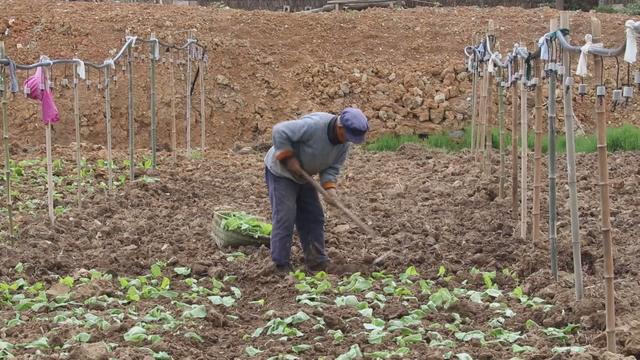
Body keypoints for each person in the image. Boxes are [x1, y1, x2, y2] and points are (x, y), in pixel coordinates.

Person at [264, 108, 369, 273]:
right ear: (340, 127)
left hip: (305, 176)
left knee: (314, 216)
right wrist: (288, 157)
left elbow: (332, 167)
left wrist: (330, 189)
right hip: (281, 172)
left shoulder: (343, 144)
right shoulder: (315, 126)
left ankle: (316, 261)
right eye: (347, 136)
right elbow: (280, 130)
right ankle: (280, 264)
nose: (347, 141)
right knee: (285, 215)